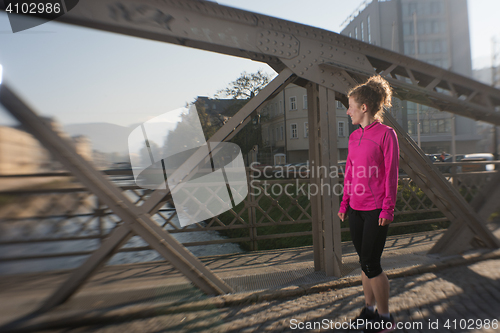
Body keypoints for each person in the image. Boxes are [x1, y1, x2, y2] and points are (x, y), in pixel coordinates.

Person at [337, 75, 399, 333]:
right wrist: (344, 204)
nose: (347, 110)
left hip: (376, 210)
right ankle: (369, 310)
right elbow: (349, 172)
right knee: (364, 261)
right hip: (355, 209)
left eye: (350, 105)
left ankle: (385, 318)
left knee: (372, 264)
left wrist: (388, 208)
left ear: (364, 108)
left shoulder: (387, 134)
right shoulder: (353, 138)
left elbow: (392, 173)